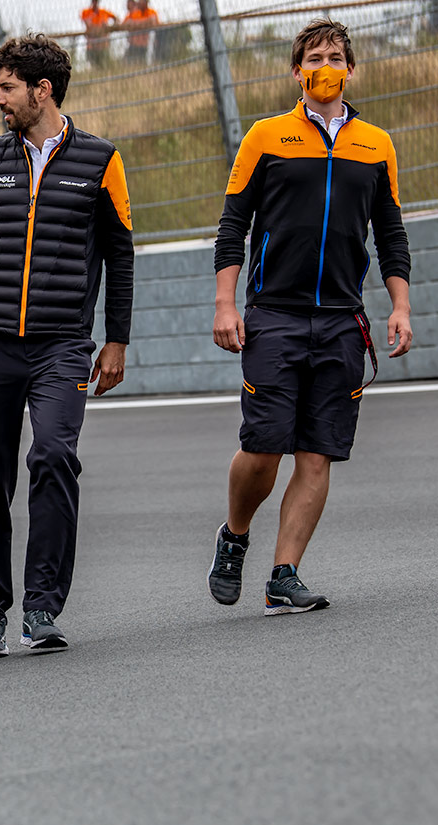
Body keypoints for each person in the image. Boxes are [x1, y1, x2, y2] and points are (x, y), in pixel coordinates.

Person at [0, 34, 135, 660]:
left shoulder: (103, 159)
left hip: (63, 346)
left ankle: (42, 605)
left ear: (41, 91)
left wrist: (117, 340)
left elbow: (120, 256)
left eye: (7, 87)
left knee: (52, 457)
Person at [208, 18, 412, 616]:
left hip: (344, 320)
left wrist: (399, 305)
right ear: (297, 70)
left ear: (350, 69)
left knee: (318, 453)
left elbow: (391, 232)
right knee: (264, 447)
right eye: (314, 57)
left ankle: (284, 574)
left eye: (335, 57)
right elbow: (232, 226)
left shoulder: (376, 144)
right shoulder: (266, 136)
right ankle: (235, 535)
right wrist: (226, 303)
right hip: (274, 315)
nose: (325, 66)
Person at [81, 0, 119, 69]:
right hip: (92, 46)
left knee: (104, 66)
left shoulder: (103, 12)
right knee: (93, 66)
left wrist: (110, 27)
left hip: (103, 46)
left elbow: (116, 19)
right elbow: (87, 24)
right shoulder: (86, 12)